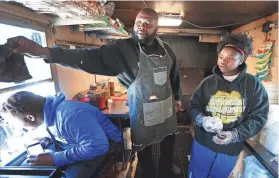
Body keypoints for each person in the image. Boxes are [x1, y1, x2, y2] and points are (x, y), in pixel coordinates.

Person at [7, 8, 182, 178]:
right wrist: (46, 52)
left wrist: (178, 97)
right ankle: (148, 172)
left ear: (156, 28)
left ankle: (167, 167)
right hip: (144, 110)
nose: (142, 27)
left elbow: (173, 75)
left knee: (168, 138)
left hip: (166, 106)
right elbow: (89, 57)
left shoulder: (166, 49)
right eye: (139, 22)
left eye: (148, 24)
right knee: (144, 145)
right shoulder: (122, 50)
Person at [188, 34, 269, 178]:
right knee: (197, 174)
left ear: (241, 60)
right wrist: (202, 120)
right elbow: (194, 106)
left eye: (230, 58)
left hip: (230, 148)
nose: (223, 62)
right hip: (203, 144)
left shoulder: (253, 85)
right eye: (221, 57)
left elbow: (258, 117)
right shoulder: (208, 83)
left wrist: (236, 135)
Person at [1, 91, 122, 178]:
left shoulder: (70, 116)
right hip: (78, 143)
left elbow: (98, 147)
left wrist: (54, 158)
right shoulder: (46, 113)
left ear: (30, 117)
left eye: (13, 121)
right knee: (29, 164)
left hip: (108, 145)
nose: (14, 126)